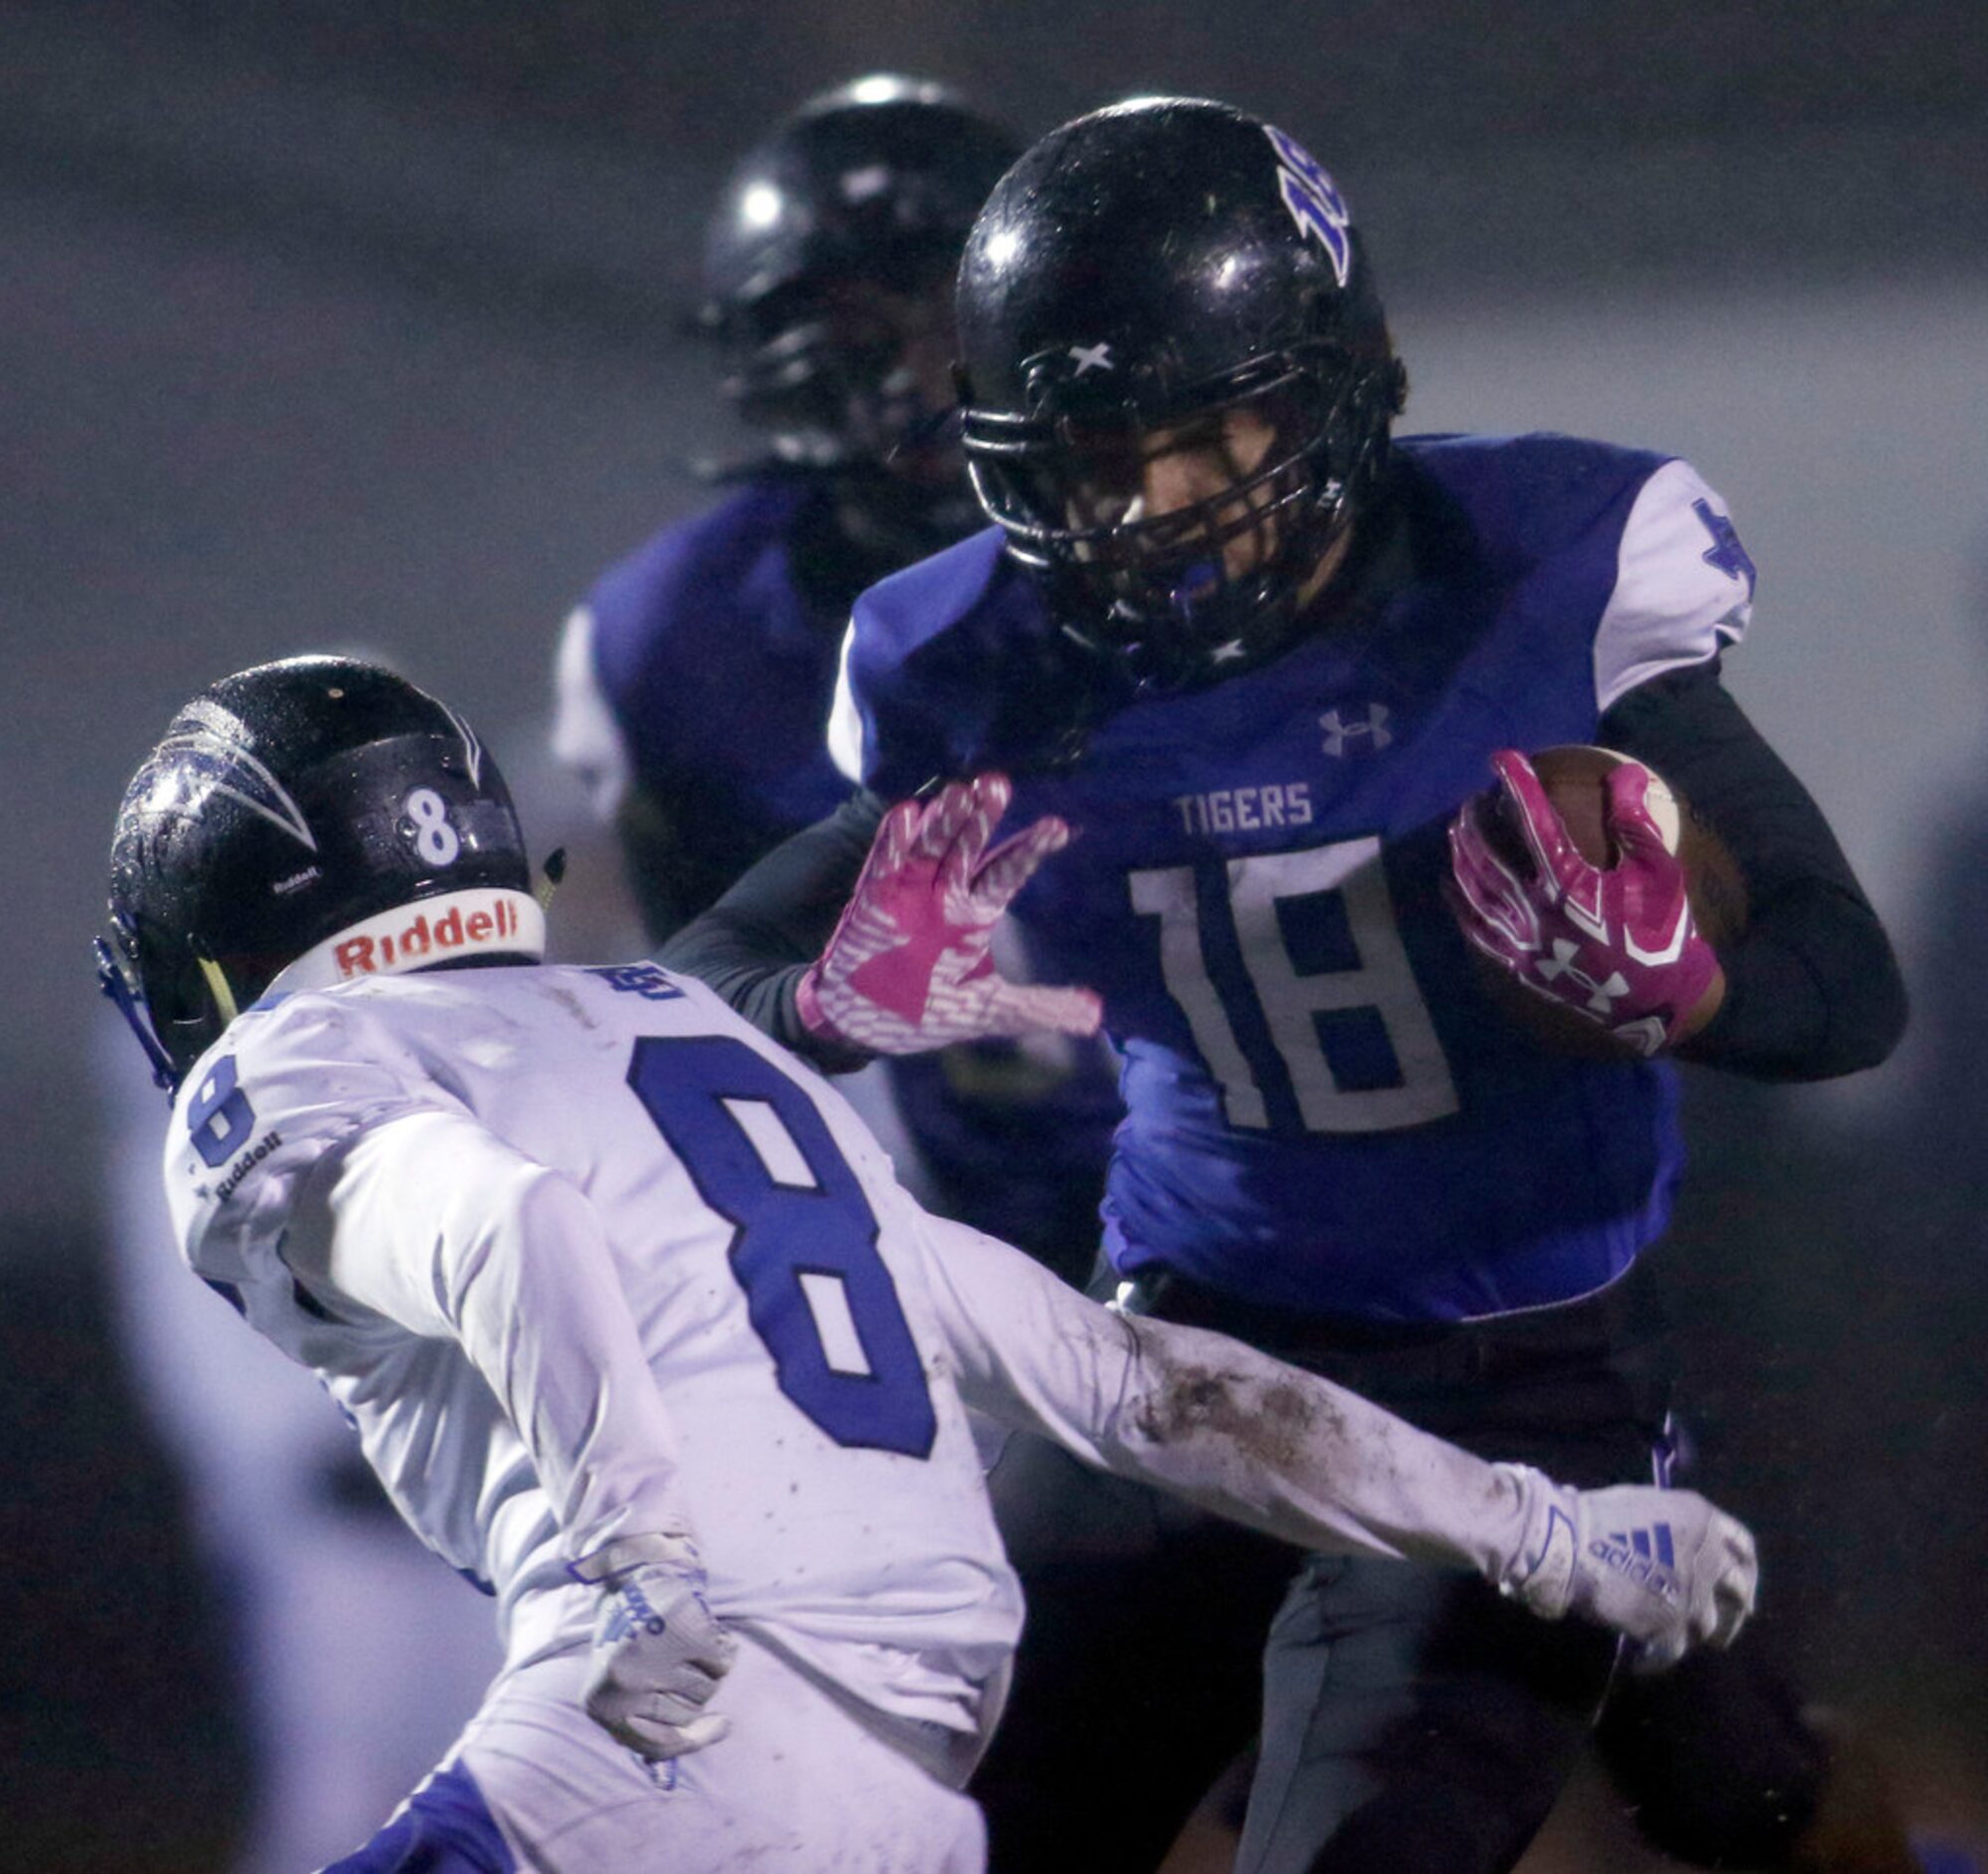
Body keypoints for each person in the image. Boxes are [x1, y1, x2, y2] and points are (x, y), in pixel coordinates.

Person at [657, 97, 1914, 1873]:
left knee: (1509, 1823)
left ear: (1336, 386)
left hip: (1512, 1381)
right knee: (923, 1830)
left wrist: (1681, 989)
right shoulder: (969, 662)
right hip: (1176, 1357)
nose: (1150, 503)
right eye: (1091, 454)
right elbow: (690, 986)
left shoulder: (1531, 572)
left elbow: (1845, 986)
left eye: (1201, 432)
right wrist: (826, 1008)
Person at [95, 655, 1757, 1873]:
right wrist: (1546, 1529)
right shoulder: (674, 1029)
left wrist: (636, 1564)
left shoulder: (294, 1065)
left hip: (672, 1737)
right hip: (913, 1791)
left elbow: (498, 1226)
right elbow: (1137, 1380)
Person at [550, 74, 1116, 1288]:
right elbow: (707, 1016)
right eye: (860, 336)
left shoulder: (1173, 523)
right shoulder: (673, 640)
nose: (915, 380)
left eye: (945, 318)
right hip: (995, 1259)